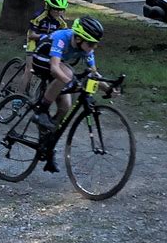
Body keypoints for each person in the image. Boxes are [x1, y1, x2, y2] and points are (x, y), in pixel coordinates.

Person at [31, 16, 113, 173]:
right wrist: (69, 82)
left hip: (57, 64)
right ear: (78, 38)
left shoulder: (86, 48)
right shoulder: (62, 38)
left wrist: (108, 88)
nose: (92, 48)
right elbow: (55, 68)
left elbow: (94, 74)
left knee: (65, 106)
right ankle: (41, 111)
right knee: (67, 73)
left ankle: (47, 144)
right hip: (41, 59)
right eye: (90, 44)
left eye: (95, 45)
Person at [15, 0, 68, 98]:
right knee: (29, 70)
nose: (58, 12)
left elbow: (65, 38)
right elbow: (31, 35)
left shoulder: (61, 22)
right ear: (48, 7)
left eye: (61, 10)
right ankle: (17, 97)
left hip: (48, 45)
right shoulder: (39, 16)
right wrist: (44, 36)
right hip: (34, 41)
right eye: (55, 9)